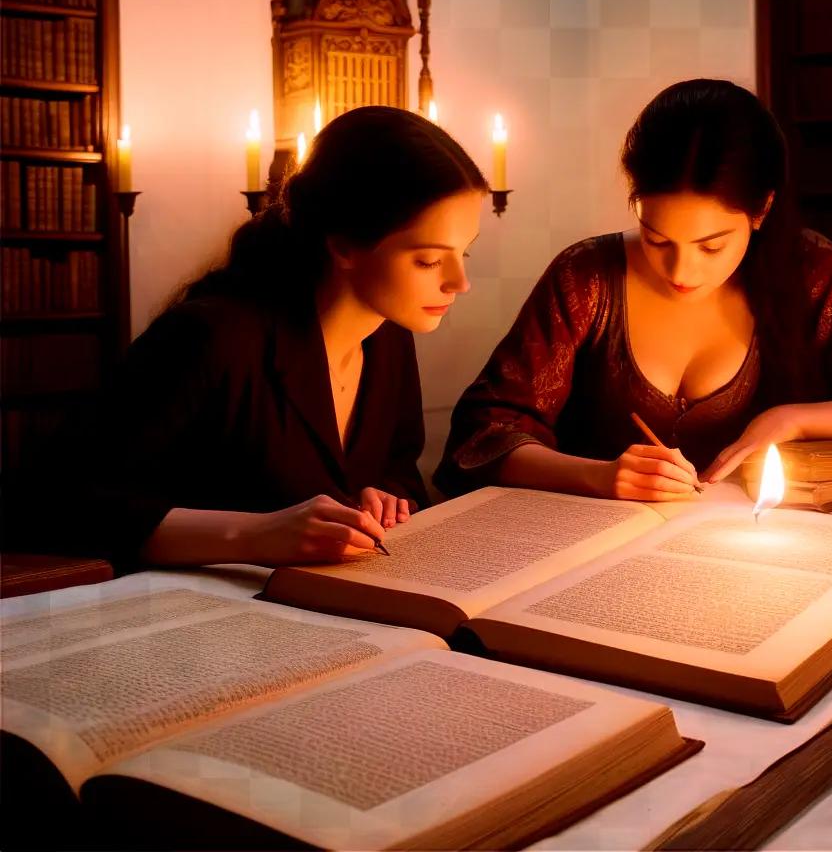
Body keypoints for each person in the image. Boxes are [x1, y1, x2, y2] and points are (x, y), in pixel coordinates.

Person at [435, 79, 832, 502]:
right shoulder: (587, 277)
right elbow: (485, 433)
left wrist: (792, 420)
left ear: (762, 210)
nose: (680, 270)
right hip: (590, 549)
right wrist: (596, 476)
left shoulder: (809, 271)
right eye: (657, 238)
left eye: (711, 245)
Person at [16, 106, 487, 570]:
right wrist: (253, 534)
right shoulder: (212, 338)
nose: (459, 282)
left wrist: (383, 499)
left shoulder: (387, 339)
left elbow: (398, 470)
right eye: (428, 260)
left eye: (465, 251)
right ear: (343, 244)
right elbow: (51, 503)